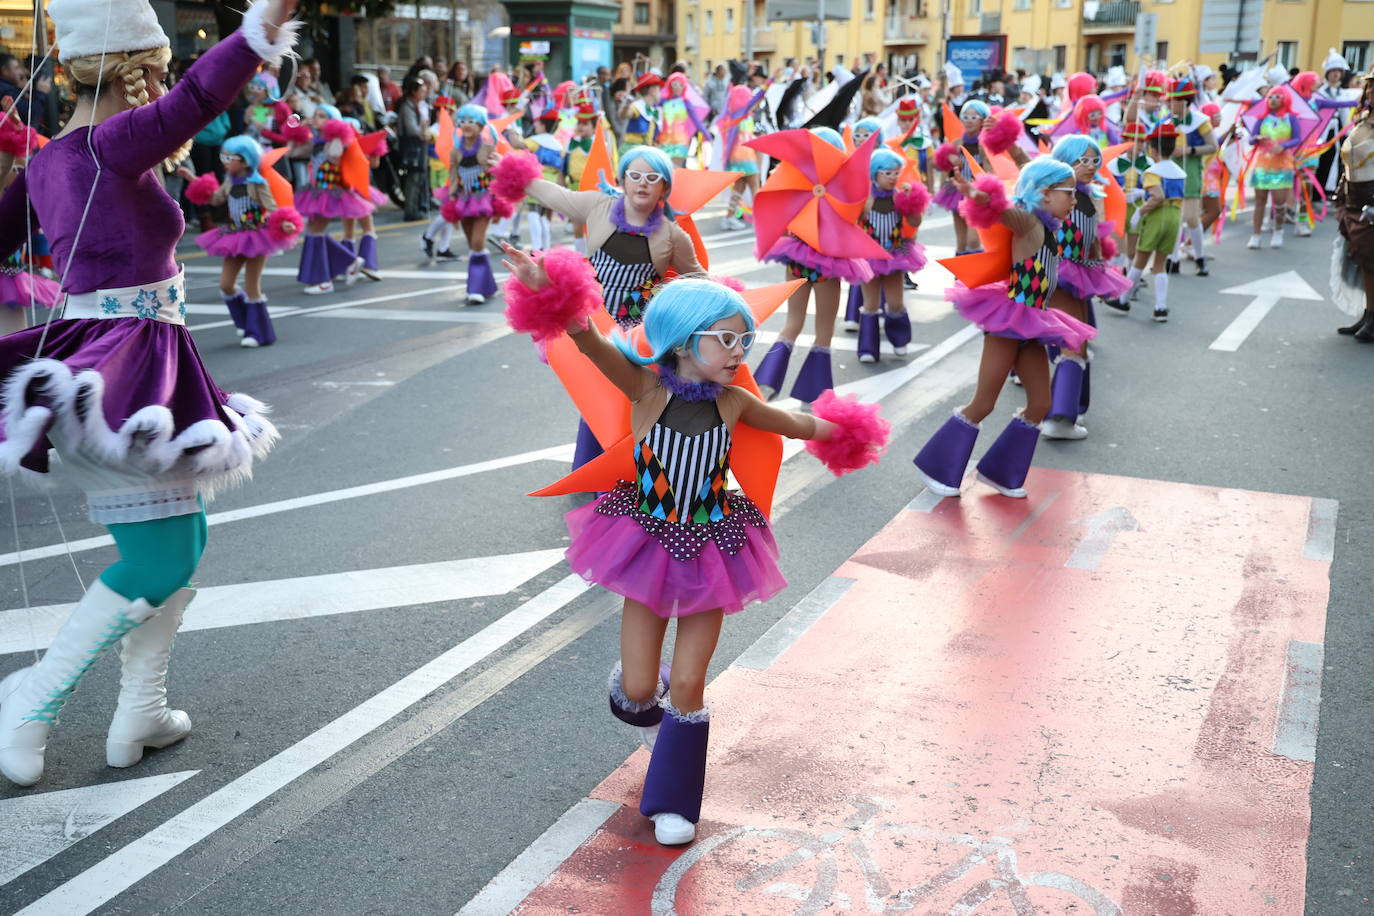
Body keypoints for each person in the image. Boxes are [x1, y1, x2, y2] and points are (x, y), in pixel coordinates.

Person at [0, 0, 294, 788]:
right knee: (161, 555)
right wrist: (256, 30)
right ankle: (28, 702)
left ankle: (141, 711)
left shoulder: (49, 159)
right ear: (137, 69)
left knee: (181, 543)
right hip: (127, 372)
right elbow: (200, 99)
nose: (165, 83)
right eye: (159, 69)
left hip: (130, 364)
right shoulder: (111, 144)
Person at [499, 253, 887, 846]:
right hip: (646, 539)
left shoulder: (733, 403)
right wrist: (546, 287)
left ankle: (674, 803)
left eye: (744, 340)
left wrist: (852, 430)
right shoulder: (645, 388)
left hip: (715, 546)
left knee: (688, 685)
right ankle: (646, 707)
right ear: (683, 340)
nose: (739, 352)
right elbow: (588, 340)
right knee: (636, 691)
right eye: (727, 339)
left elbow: (796, 426)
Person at [493, 144, 705, 468]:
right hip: (589, 319)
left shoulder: (674, 236)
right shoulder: (599, 205)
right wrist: (515, 173)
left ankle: (611, 470)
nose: (643, 183)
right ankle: (591, 466)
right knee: (595, 392)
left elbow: (699, 280)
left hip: (636, 332)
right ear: (623, 180)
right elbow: (555, 195)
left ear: (664, 186)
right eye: (635, 175)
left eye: (652, 177)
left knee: (624, 394)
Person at [912, 158, 1095, 500]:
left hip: (1032, 324)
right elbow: (1002, 211)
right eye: (1069, 193)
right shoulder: (1028, 223)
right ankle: (937, 467)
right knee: (983, 402)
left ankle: (1001, 472)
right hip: (1008, 323)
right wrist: (976, 194)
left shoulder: (1051, 228)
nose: (1074, 199)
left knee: (1041, 403)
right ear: (1044, 194)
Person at [752, 128, 875, 403]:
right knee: (824, 331)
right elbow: (859, 215)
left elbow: (780, 213)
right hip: (829, 261)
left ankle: (765, 384)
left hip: (797, 256)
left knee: (792, 323)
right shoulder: (844, 185)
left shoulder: (796, 178)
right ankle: (814, 391)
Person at [1043, 135, 1132, 439]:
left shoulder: (1086, 195)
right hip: (1062, 272)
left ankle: (1066, 411)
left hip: (1080, 270)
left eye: (1095, 161)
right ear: (1066, 161)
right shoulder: (1059, 194)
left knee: (1078, 341)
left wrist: (1097, 263)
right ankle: (1059, 419)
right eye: (1083, 160)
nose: (1091, 166)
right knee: (1072, 343)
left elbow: (1091, 238)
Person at [185, 133, 301, 346]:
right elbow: (216, 198)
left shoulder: (258, 184)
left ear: (245, 160)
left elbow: (273, 207)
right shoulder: (230, 181)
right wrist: (195, 182)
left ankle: (259, 333)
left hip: (257, 236)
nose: (225, 162)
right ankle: (246, 322)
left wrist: (284, 223)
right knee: (226, 285)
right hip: (234, 235)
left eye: (230, 158)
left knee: (251, 287)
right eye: (224, 157)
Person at [856, 148, 927, 363]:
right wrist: (863, 207)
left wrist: (912, 202)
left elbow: (915, 223)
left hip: (895, 254)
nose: (893, 177)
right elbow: (850, 222)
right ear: (875, 173)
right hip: (868, 255)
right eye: (888, 173)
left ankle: (899, 339)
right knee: (871, 304)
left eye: (896, 172)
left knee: (896, 303)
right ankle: (868, 349)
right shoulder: (864, 197)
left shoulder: (899, 197)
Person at [294, 104, 371, 295]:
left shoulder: (336, 140)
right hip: (316, 191)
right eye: (316, 115)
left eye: (322, 116)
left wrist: (334, 136)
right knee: (314, 232)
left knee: (315, 232)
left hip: (330, 192)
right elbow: (294, 153)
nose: (316, 119)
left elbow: (335, 156)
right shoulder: (317, 140)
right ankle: (349, 261)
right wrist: (299, 132)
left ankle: (326, 280)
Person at [425, 103, 498, 304]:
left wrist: (498, 201)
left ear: (481, 125)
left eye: (471, 121)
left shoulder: (487, 149)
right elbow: (453, 176)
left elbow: (495, 176)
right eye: (463, 121)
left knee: (477, 242)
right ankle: (487, 285)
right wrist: (452, 200)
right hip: (463, 200)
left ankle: (475, 288)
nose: (466, 125)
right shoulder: (456, 151)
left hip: (483, 199)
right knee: (472, 245)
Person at [1126, 122, 1185, 321]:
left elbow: (1158, 196)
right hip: (1175, 216)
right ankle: (1160, 307)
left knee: (1140, 259)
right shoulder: (1178, 169)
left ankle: (1123, 299)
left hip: (1157, 217)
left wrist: (1140, 211)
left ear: (1153, 148)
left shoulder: (1153, 171)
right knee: (1160, 263)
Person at [1334, 74, 1374, 340]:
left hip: (1371, 203)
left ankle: (1372, 318)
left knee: (1371, 261)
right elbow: (1348, 166)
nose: (1371, 90)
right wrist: (1339, 198)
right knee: (1361, 261)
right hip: (1353, 200)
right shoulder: (1362, 121)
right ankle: (1369, 313)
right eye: (1370, 85)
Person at [1162, 78, 1215, 276]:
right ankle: (1173, 259)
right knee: (1174, 218)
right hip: (1170, 174)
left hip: (1191, 172)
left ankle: (1200, 258)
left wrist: (1188, 150)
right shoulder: (1166, 121)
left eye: (1172, 100)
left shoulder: (1200, 121)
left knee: (1191, 217)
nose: (1168, 104)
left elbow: (1213, 146)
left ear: (1183, 101)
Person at [1247, 86, 1302, 250]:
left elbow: (1297, 138)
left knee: (1279, 202)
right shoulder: (1261, 118)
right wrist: (1257, 137)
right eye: (1270, 96)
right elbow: (1251, 139)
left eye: (1277, 96)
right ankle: (1255, 235)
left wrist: (1284, 146)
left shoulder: (1291, 118)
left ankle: (1278, 231)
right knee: (1259, 201)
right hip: (1262, 164)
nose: (1273, 99)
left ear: (1285, 99)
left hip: (1282, 165)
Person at [397, 75, 431, 221]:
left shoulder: (421, 105)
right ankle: (410, 210)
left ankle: (419, 206)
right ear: (414, 92)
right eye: (422, 91)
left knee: (420, 177)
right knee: (414, 178)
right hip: (412, 147)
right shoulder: (407, 107)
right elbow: (412, 129)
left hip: (420, 145)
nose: (424, 93)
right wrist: (424, 133)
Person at [620, 73, 662, 147]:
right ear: (652, 90)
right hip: (633, 151)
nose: (660, 93)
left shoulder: (654, 111)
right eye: (659, 89)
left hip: (646, 151)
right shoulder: (638, 106)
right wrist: (626, 105)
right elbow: (624, 114)